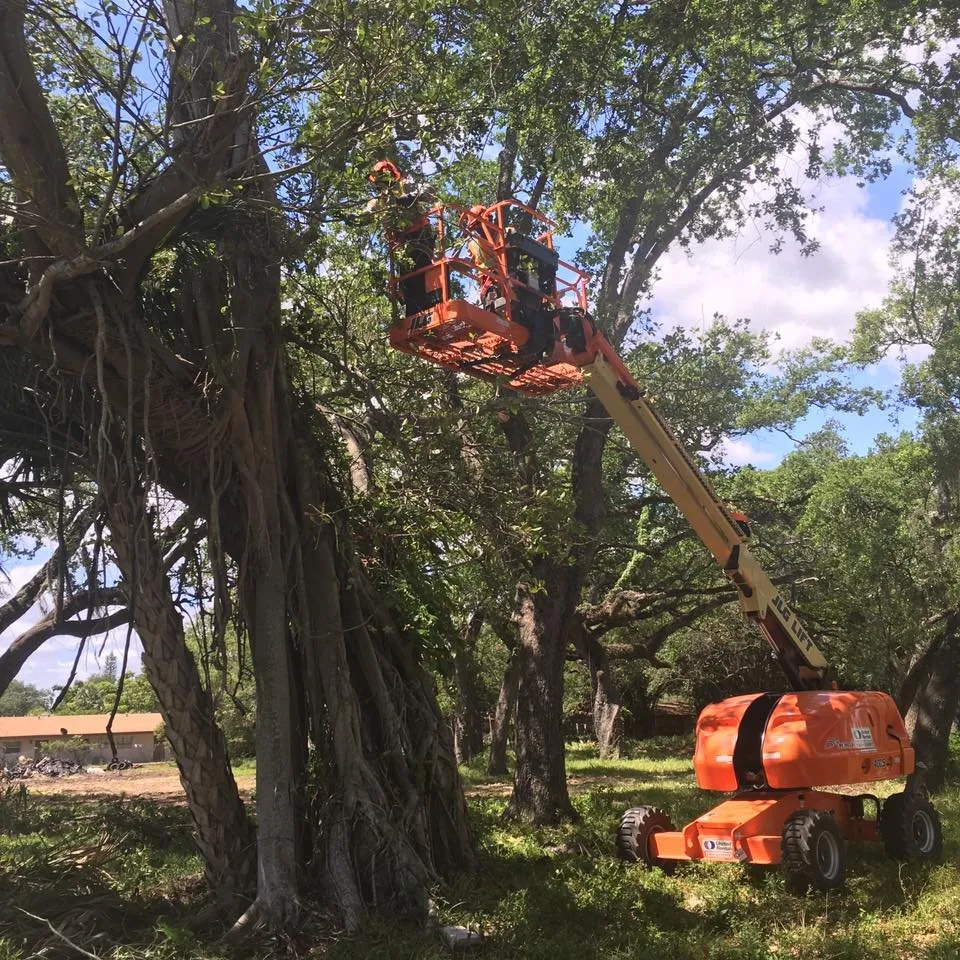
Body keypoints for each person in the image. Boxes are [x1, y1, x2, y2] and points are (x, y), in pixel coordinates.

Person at [367, 161, 437, 316]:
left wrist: (409, 198)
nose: (381, 185)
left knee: (420, 278)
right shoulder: (379, 201)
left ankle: (426, 312)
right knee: (407, 285)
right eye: (378, 181)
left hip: (419, 239)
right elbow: (367, 212)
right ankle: (415, 317)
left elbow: (430, 191)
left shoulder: (405, 185)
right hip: (402, 248)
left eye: (383, 179)